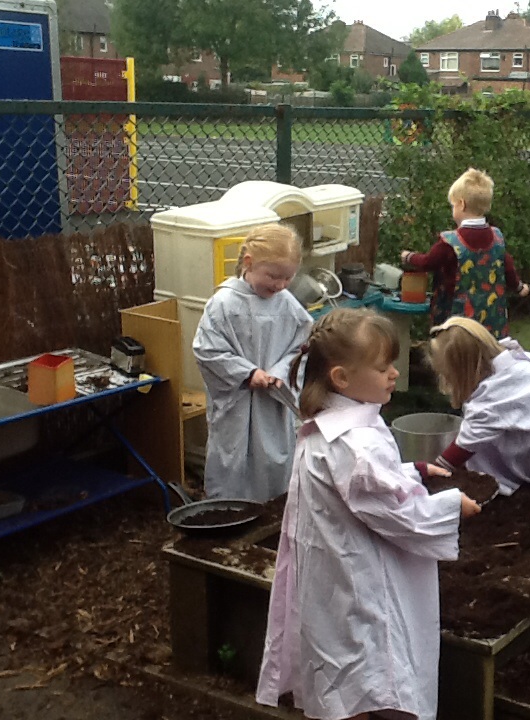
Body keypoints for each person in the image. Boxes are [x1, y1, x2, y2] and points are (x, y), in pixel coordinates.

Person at [255, 308, 481, 720]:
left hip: (331, 582)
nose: (394, 374)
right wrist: (451, 508)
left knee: (341, 673)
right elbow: (396, 511)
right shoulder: (357, 442)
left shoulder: (325, 426)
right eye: (382, 367)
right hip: (359, 585)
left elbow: (360, 487)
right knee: (371, 672)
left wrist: (412, 470)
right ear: (342, 377)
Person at [192, 222, 312, 502]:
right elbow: (207, 350)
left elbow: (303, 346)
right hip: (237, 403)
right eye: (272, 276)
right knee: (233, 460)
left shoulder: (287, 304)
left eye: (287, 278)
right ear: (249, 262)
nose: (279, 285)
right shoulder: (224, 304)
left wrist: (281, 373)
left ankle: (274, 507)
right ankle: (229, 511)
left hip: (272, 401)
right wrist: (247, 374)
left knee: (273, 460)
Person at [426, 316, 530, 495]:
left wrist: (428, 475)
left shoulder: (495, 395)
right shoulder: (512, 359)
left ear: (461, 372)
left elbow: (460, 450)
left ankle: (503, 489)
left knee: (478, 448)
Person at [400, 167, 530, 339]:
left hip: (457, 319)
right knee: (487, 354)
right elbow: (507, 266)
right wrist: (520, 287)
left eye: (453, 205)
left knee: (455, 355)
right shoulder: (496, 238)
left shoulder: (450, 243)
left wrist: (408, 256)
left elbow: (428, 262)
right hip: (490, 322)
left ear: (461, 204)